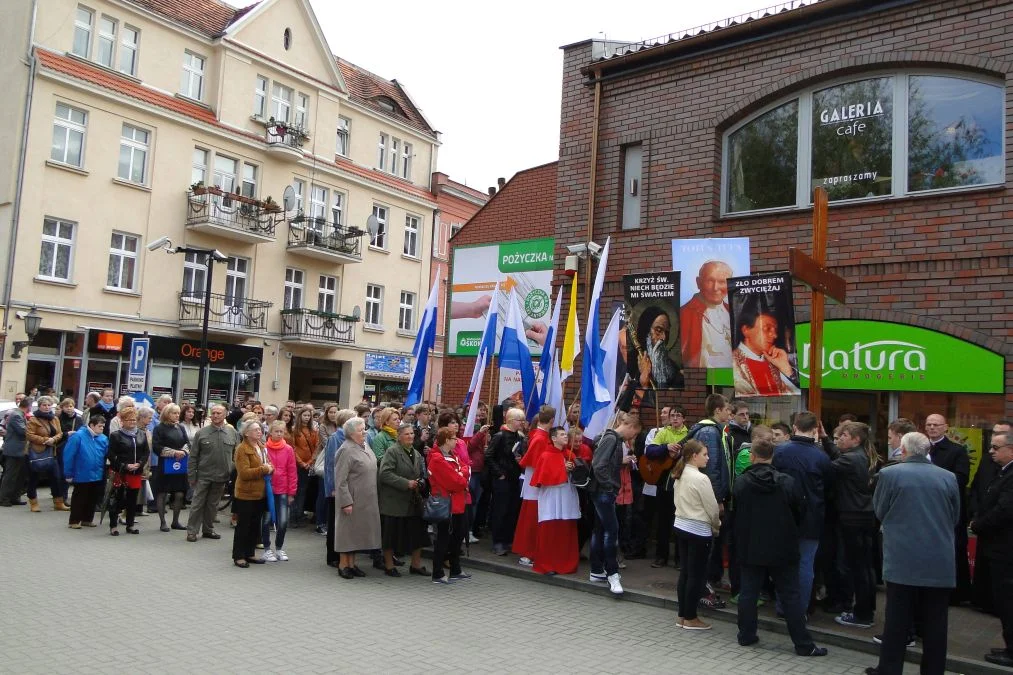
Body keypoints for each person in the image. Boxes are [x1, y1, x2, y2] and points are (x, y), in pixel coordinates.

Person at [865, 432, 959, 675]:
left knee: (897, 619)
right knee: (936, 622)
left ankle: (889, 669)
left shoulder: (889, 474)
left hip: (903, 558)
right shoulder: (948, 477)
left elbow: (880, 510)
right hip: (940, 559)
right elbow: (955, 516)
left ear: (903, 451)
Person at [734, 438, 828, 656]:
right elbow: (800, 511)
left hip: (751, 545)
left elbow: (736, 511)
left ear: (752, 456)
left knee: (748, 592)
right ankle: (803, 644)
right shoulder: (787, 482)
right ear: (772, 457)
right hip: (782, 545)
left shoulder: (741, 482)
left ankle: (746, 635)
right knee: (790, 596)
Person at [772, 410, 832, 615]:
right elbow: (829, 489)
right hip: (812, 518)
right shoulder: (822, 457)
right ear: (815, 430)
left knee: (783, 563)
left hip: (783, 516)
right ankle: (800, 610)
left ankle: (783, 606)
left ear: (795, 427)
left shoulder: (779, 452)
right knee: (805, 565)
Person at [830, 421, 880, 629]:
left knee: (856, 566)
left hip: (853, 516)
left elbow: (824, 466)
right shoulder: (863, 456)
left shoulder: (851, 459)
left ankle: (862, 613)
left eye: (844, 435)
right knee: (865, 566)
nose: (840, 439)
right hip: (865, 515)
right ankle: (866, 608)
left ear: (856, 440)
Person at [970, 428, 1013, 668]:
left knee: (1008, 600)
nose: (990, 452)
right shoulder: (1001, 471)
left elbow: (1005, 510)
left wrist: (979, 524)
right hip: (998, 546)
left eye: (996, 448)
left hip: (1005, 549)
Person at [589, 412, 642, 596]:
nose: (632, 437)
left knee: (600, 530)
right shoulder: (612, 439)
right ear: (631, 427)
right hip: (605, 492)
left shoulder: (608, 437)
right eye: (634, 433)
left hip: (602, 491)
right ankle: (612, 573)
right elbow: (598, 465)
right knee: (611, 531)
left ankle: (596, 570)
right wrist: (610, 485)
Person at [688, 393, 732, 606]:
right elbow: (711, 468)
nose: (729, 413)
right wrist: (718, 499)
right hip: (707, 500)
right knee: (705, 545)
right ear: (717, 411)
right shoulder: (709, 432)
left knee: (710, 544)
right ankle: (701, 589)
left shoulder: (715, 431)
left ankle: (705, 584)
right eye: (727, 409)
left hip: (710, 497)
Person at [672, 439, 721, 629]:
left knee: (685, 572)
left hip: (681, 524)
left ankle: (682, 616)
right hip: (698, 529)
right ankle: (691, 618)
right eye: (705, 454)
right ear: (694, 456)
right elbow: (712, 507)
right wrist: (716, 526)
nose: (707, 458)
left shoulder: (680, 472)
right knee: (696, 575)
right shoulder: (701, 478)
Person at [924, 413, 971, 604]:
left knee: (953, 550)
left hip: (948, 507)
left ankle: (956, 594)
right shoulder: (921, 448)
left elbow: (961, 479)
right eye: (929, 425)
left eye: (936, 425)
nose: (932, 428)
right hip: (926, 508)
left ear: (946, 427)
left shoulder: (956, 450)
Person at [333, 416, 381, 579]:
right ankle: (343, 565)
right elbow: (340, 479)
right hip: (352, 499)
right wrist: (346, 501)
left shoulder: (364, 446)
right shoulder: (346, 450)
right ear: (352, 433)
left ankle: (352, 564)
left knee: (356, 534)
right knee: (346, 533)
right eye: (361, 430)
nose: (365, 432)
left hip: (366, 499)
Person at [378, 423, 428, 577]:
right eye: (406, 434)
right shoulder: (392, 452)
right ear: (399, 437)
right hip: (394, 501)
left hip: (412, 501)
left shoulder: (416, 454)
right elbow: (384, 474)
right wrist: (406, 483)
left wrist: (422, 482)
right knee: (391, 535)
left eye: (412, 434)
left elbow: (422, 473)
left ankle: (416, 565)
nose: (411, 437)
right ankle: (389, 566)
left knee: (418, 534)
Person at [530, 426, 581, 575]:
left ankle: (565, 562)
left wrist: (573, 469)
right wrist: (562, 468)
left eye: (566, 434)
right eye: (562, 434)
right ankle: (547, 564)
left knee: (565, 528)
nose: (566, 437)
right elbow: (544, 477)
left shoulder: (569, 454)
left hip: (566, 494)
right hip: (551, 496)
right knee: (550, 529)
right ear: (553, 438)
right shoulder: (546, 455)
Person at [186, 403, 237, 543]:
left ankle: (208, 529)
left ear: (225, 414)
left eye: (218, 413)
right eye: (213, 413)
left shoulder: (232, 432)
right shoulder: (202, 433)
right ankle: (192, 531)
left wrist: (230, 468)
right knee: (197, 504)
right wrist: (191, 476)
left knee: (212, 505)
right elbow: (193, 456)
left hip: (221, 476)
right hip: (203, 475)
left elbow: (236, 454)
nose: (215, 415)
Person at [644, 406, 688, 568]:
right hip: (663, 481)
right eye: (673, 416)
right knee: (663, 519)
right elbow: (650, 452)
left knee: (680, 520)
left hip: (681, 482)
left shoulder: (688, 434)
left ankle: (679, 558)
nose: (675, 418)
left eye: (678, 416)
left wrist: (681, 454)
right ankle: (661, 556)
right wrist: (666, 448)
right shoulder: (663, 433)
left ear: (684, 419)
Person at [428, 427, 472, 584]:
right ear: (446, 440)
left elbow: (466, 469)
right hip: (446, 504)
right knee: (443, 538)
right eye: (454, 438)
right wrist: (462, 476)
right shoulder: (437, 459)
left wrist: (462, 474)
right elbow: (454, 482)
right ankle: (438, 573)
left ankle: (455, 568)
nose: (457, 441)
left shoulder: (452, 455)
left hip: (457, 503)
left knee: (458, 536)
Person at [730, 299, 800, 396]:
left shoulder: (775, 361)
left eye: (775, 330)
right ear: (746, 330)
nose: (774, 335)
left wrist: (786, 369)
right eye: (767, 329)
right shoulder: (732, 362)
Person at [515, 405, 554, 566]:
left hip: (535, 483)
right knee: (531, 520)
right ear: (551, 420)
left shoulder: (539, 435)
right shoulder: (540, 438)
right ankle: (527, 553)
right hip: (535, 485)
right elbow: (539, 464)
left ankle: (531, 551)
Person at [232, 420, 272, 568]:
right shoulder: (242, 449)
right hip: (246, 493)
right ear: (246, 433)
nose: (259, 432)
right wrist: (264, 469)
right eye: (255, 430)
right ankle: (239, 555)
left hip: (260, 493)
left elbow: (269, 463)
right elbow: (244, 473)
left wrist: (270, 468)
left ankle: (250, 553)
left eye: (260, 429)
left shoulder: (261, 447)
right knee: (244, 525)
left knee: (255, 525)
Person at [486, 408, 525, 555]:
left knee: (512, 510)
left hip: (515, 477)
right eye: (519, 420)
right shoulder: (499, 436)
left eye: (522, 420)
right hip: (502, 479)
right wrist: (499, 473)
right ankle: (497, 542)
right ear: (510, 420)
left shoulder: (520, 437)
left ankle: (508, 540)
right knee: (500, 510)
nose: (521, 423)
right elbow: (488, 456)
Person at [681, 260, 734, 368]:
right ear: (698, 282)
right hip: (705, 378)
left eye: (722, 282)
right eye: (710, 280)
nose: (715, 288)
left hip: (732, 376)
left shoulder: (733, 311)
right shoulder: (684, 314)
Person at [106, 407, 149, 535]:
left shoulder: (141, 434)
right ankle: (113, 526)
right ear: (122, 421)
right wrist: (125, 465)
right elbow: (111, 455)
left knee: (132, 499)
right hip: (120, 473)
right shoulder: (116, 435)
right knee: (117, 499)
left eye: (133, 419)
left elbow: (146, 452)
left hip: (136, 472)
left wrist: (140, 463)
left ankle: (130, 524)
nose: (132, 422)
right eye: (128, 420)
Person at [63, 414, 109, 529]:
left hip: (97, 473)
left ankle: (87, 519)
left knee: (92, 497)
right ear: (91, 425)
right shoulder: (78, 436)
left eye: (103, 426)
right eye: (100, 426)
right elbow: (69, 455)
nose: (102, 428)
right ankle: (74, 520)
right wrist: (68, 473)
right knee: (79, 497)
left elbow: (106, 455)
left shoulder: (103, 438)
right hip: (81, 473)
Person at [323, 409, 356, 568]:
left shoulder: (353, 438)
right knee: (335, 523)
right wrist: (333, 487)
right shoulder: (336, 438)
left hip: (349, 486)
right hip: (336, 488)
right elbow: (331, 465)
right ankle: (333, 556)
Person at [261, 420, 296, 562]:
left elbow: (292, 472)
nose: (279, 434)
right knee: (266, 520)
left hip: (282, 490)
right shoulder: (264, 448)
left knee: (282, 521)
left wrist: (291, 492)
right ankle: (267, 549)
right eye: (277, 431)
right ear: (270, 432)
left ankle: (279, 548)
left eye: (282, 431)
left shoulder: (288, 449)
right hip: (267, 490)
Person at [627, 306, 685, 391]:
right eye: (658, 330)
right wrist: (643, 381)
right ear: (646, 331)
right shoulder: (631, 361)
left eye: (667, 332)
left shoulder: (672, 367)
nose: (664, 338)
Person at [151, 404, 189, 533]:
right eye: (174, 413)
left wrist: (183, 451)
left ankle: (175, 521)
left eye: (178, 413)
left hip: (179, 464)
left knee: (179, 493)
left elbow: (186, 443)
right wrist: (173, 452)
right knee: (162, 492)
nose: (177, 415)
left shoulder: (180, 427)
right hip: (165, 464)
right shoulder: (159, 428)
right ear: (167, 414)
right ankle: (162, 522)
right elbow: (156, 446)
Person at [25, 395, 66, 512]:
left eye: (49, 405)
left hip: (52, 451)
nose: (47, 407)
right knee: (34, 478)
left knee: (56, 477)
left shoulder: (54, 418)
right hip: (37, 452)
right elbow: (29, 435)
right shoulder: (33, 419)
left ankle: (58, 502)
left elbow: (60, 433)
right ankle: (33, 502)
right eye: (44, 405)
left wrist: (53, 440)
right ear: (39, 406)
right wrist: (45, 440)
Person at [290, 404, 319, 529]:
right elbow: (293, 448)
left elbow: (317, 447)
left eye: (309, 415)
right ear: (299, 416)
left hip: (308, 464)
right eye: (305, 415)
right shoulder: (294, 430)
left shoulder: (313, 431)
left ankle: (299, 514)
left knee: (302, 491)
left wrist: (310, 461)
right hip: (297, 464)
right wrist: (302, 463)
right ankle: (293, 516)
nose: (307, 418)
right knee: (295, 491)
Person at [0, 397, 32, 507]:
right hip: (14, 450)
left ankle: (14, 497)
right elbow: (23, 431)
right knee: (10, 476)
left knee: (19, 475)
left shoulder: (19, 414)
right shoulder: (17, 415)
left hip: (19, 450)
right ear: (28, 406)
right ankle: (4, 498)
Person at [315, 403, 341, 535]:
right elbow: (327, 444)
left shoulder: (340, 426)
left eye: (335, 412)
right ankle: (320, 522)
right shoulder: (323, 426)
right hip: (326, 461)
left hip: (339, 462)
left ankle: (328, 521)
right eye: (331, 412)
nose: (333, 414)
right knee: (323, 494)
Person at [55, 397, 83, 506]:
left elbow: (81, 432)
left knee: (69, 473)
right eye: (66, 406)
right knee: (62, 473)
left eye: (71, 406)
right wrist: (67, 434)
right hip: (61, 448)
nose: (69, 409)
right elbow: (56, 433)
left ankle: (65, 496)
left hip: (74, 447)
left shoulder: (78, 419)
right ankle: (61, 496)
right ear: (62, 408)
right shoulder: (58, 418)